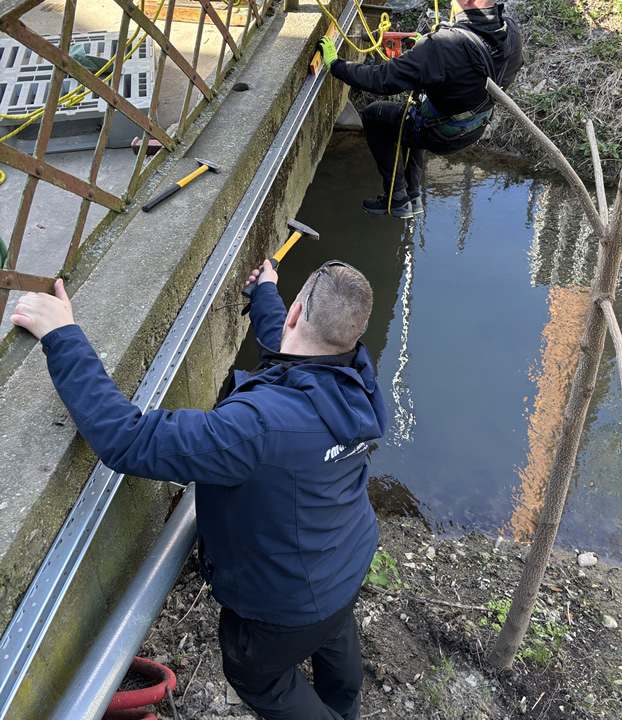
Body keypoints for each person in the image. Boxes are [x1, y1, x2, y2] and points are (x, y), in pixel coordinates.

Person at [11, 260, 386, 720]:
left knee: (260, 679)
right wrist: (265, 293)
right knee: (334, 637)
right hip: (347, 562)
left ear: (295, 314)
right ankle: (346, 708)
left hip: (282, 608)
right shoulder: (357, 383)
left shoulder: (253, 428)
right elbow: (294, 353)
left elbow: (128, 439)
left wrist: (62, 335)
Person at [321, 0, 524, 218]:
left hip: (440, 133)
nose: (451, 3)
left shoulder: (442, 46)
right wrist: (424, 56)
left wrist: (336, 65)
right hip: (473, 128)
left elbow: (382, 80)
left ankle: (396, 197)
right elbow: (467, 68)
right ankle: (414, 196)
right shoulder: (511, 32)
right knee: (413, 116)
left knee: (375, 115)